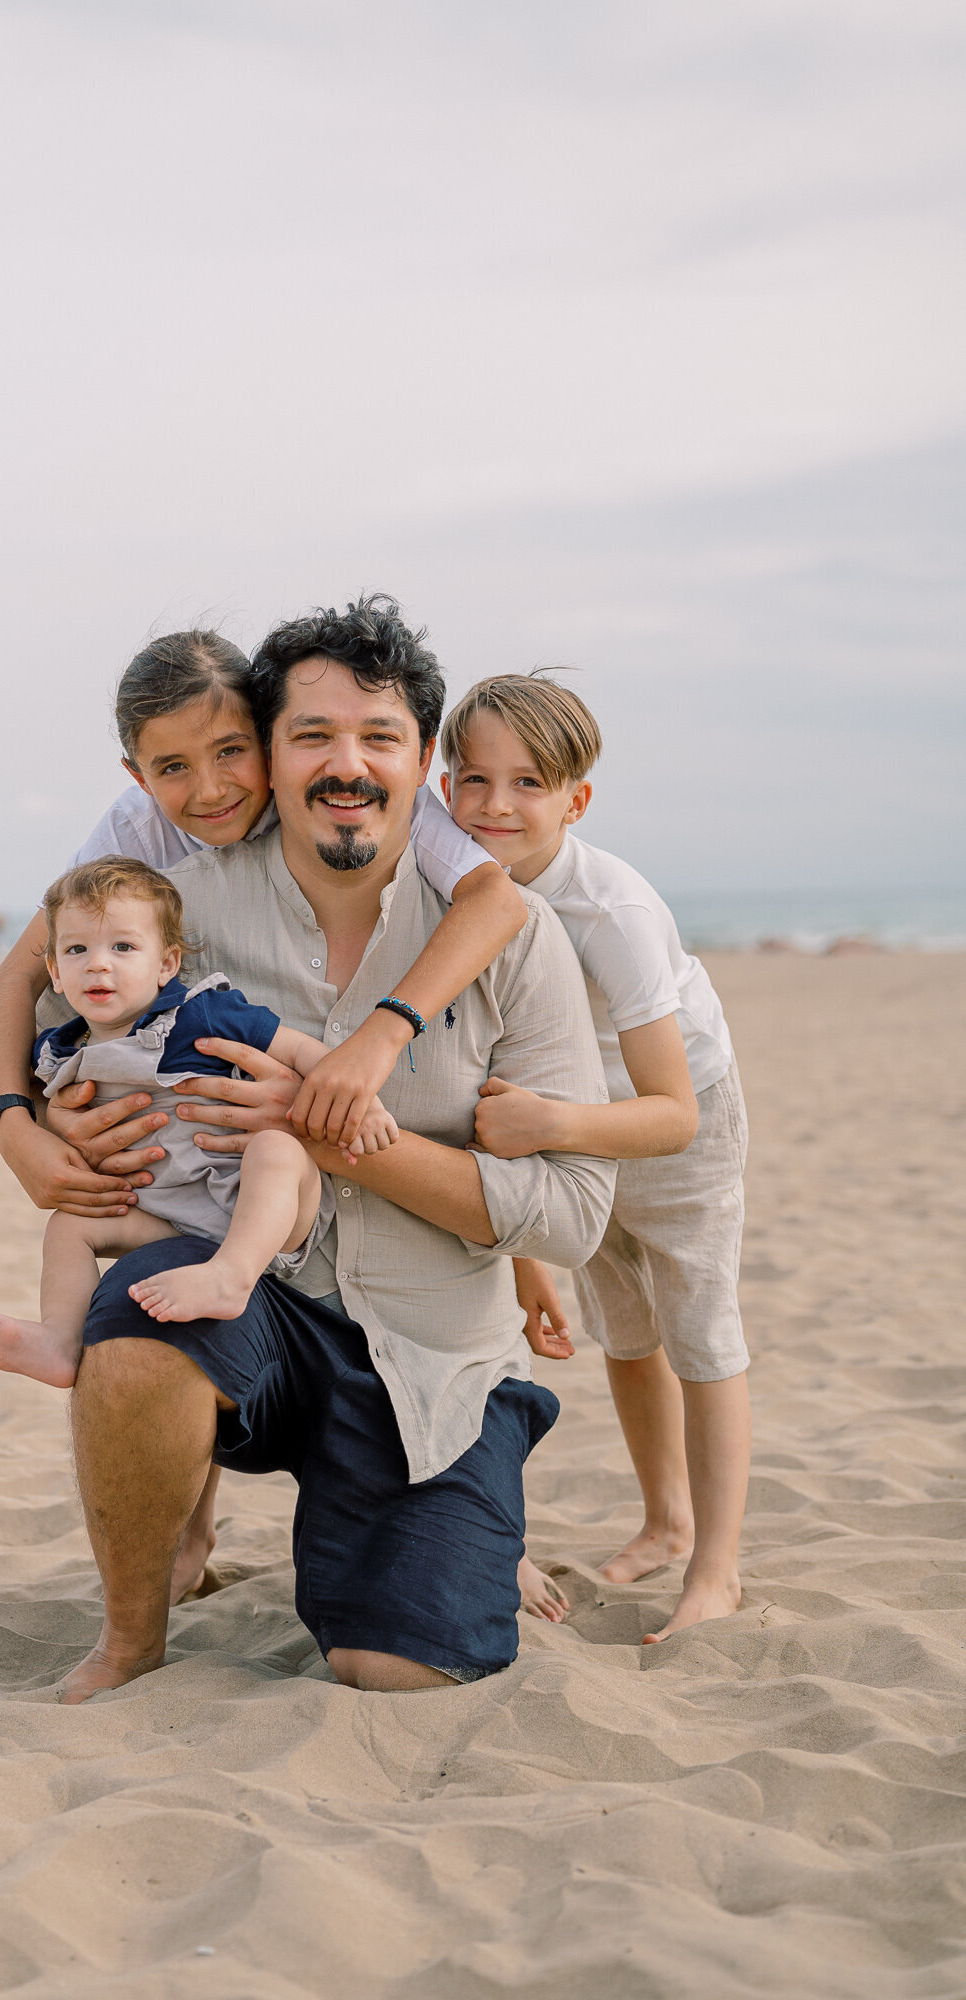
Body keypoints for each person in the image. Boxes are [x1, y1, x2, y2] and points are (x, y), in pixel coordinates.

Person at [31, 595, 615, 1703]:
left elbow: (573, 1215)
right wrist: (30, 1118)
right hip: (256, 1296)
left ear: (422, 759)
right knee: (136, 1321)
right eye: (310, 735)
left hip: (434, 1354)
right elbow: (53, 1011)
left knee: (396, 1664)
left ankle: (453, 1529)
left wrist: (328, 1129)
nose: (344, 764)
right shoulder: (174, 911)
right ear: (269, 750)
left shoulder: (515, 938)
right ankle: (131, 1635)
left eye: (377, 737)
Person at [0, 624, 525, 1603]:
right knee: (147, 1279)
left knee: (251, 1206)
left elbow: (494, 899)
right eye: (173, 767)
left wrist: (372, 1043)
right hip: (178, 1152)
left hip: (313, 1178)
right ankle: (180, 1532)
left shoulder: (368, 805)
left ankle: (448, 1516)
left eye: (229, 753)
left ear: (263, 732)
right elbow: (29, 981)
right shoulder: (137, 834)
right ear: (136, 772)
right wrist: (11, 1121)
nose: (210, 787)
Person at [439, 672, 749, 1644]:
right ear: (443, 785)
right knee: (624, 1326)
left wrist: (551, 1127)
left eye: (527, 782)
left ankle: (715, 1565)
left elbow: (670, 1115)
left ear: (573, 799)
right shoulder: (456, 888)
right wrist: (532, 1249)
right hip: (557, 1120)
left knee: (698, 1330)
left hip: (664, 1115)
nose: (496, 804)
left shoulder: (605, 906)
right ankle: (663, 1521)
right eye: (473, 778)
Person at [0, 854, 395, 1387]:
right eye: (77, 950)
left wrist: (360, 1098)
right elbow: (0, 1075)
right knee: (68, 1227)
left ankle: (231, 1277)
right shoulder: (61, 1044)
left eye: (123, 947)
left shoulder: (198, 1012)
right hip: (163, 1216)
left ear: (165, 964)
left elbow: (300, 1048)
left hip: (253, 1205)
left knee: (277, 1150)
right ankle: (60, 1340)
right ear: (54, 971)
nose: (98, 964)